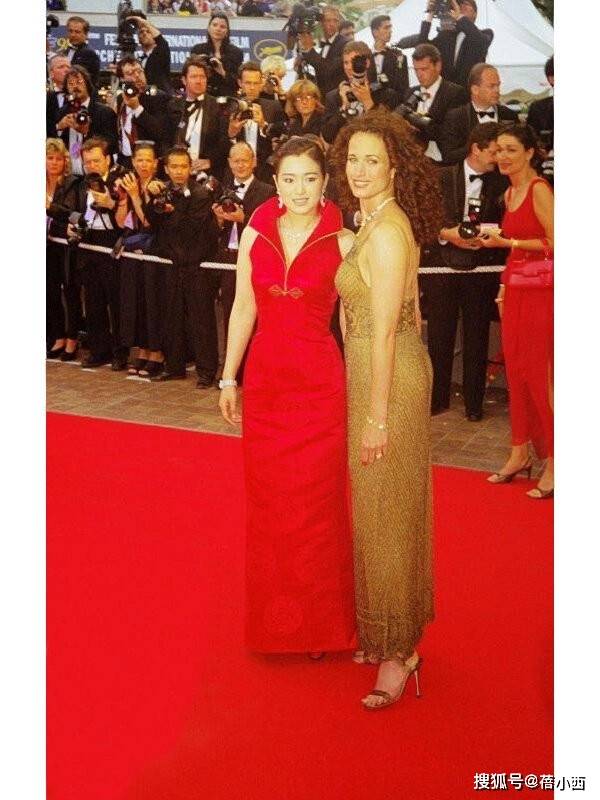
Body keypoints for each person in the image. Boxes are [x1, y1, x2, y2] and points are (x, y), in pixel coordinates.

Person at [218, 136, 356, 655]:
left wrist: (366, 389)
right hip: (268, 383)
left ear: (326, 183)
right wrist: (229, 377)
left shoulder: (344, 240)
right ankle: (276, 624)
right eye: (290, 179)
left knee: (318, 507)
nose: (300, 190)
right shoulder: (255, 233)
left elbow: (353, 322)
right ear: (275, 182)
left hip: (320, 385)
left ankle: (321, 627)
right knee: (271, 506)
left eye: (310, 179)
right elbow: (243, 307)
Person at [328, 109, 442, 708]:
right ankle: (384, 634)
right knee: (376, 510)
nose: (360, 170)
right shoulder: (370, 222)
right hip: (373, 376)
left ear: (395, 167)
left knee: (388, 515)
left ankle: (400, 653)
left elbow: (391, 331)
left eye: (373, 160)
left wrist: (377, 416)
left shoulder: (390, 230)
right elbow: (410, 309)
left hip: (387, 381)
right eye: (353, 159)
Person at [480, 124, 554, 499]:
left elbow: (557, 241)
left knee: (541, 376)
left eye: (511, 149)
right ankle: (519, 451)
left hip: (543, 294)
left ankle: (556, 460)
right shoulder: (508, 192)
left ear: (529, 152)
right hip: (516, 291)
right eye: (499, 150)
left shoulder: (539, 189)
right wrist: (504, 286)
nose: (503, 156)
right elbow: (513, 253)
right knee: (517, 373)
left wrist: (509, 242)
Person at [420, 122, 508, 419]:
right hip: (441, 268)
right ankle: (437, 399)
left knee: (477, 337)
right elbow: (424, 217)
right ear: (476, 149)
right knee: (439, 337)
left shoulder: (501, 183)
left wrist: (488, 238)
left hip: (482, 269)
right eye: (494, 151)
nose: (498, 158)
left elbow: (506, 224)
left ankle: (474, 405)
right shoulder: (441, 176)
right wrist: (448, 234)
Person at [144, 145, 220, 386]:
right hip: (171, 264)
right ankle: (174, 366)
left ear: (190, 168)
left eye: (183, 166)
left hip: (197, 265)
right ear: (166, 169)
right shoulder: (162, 190)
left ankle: (206, 372)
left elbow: (190, 228)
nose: (178, 171)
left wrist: (171, 210)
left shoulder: (201, 193)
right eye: (174, 166)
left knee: (201, 320)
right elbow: (151, 221)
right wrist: (152, 199)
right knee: (171, 317)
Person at [209, 141, 276, 377]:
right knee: (229, 313)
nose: (240, 165)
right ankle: (231, 369)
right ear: (229, 163)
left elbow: (269, 227)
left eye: (244, 160)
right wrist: (219, 220)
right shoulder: (221, 190)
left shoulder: (267, 191)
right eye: (235, 161)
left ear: (254, 162)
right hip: (227, 260)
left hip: (254, 261)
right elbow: (212, 231)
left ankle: (253, 369)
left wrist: (243, 219)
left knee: (255, 316)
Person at [69, 137, 130, 369]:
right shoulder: (81, 184)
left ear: (107, 160)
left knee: (116, 301)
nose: (92, 166)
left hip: (111, 243)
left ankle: (120, 352)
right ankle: (98, 350)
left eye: (96, 161)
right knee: (93, 301)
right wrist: (73, 226)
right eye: (87, 162)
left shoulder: (119, 182)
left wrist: (111, 204)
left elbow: (127, 221)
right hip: (88, 243)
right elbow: (76, 212)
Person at [116, 141, 165, 379]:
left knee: (153, 302)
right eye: (139, 160)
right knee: (137, 302)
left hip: (155, 252)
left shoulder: (159, 187)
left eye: (148, 160)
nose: (143, 164)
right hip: (132, 251)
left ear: (156, 163)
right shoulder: (129, 184)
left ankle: (157, 353)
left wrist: (136, 196)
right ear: (133, 162)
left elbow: (148, 222)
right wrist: (124, 198)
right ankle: (143, 349)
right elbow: (120, 222)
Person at [46, 138, 83, 361]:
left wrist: (48, 206)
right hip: (46, 245)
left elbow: (70, 214)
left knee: (70, 291)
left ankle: (72, 338)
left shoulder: (72, 183)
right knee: (49, 291)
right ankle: (57, 336)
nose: (54, 163)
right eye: (50, 158)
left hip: (66, 245)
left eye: (58, 159)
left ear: (65, 161)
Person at [321, 41, 399, 145]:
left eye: (353, 62)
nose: (349, 67)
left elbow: (390, 134)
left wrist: (368, 103)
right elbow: (328, 136)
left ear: (366, 63)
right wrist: (344, 108)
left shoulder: (387, 95)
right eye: (346, 62)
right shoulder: (334, 97)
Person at [400, 43, 467, 164]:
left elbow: (452, 134)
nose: (419, 75)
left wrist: (420, 124)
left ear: (438, 66)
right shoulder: (410, 92)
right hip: (411, 160)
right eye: (416, 70)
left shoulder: (455, 93)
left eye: (424, 69)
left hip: (442, 162)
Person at [439, 63, 518, 165]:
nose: (497, 90)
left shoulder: (509, 115)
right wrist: (476, 147)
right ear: (475, 90)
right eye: (491, 86)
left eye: (498, 85)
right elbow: (448, 157)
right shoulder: (455, 117)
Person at [404, 0, 493, 89]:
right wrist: (430, 14)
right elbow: (422, 48)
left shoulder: (485, 34)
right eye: (460, 4)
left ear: (475, 14)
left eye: (466, 4)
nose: (461, 6)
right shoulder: (447, 35)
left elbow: (478, 40)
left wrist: (459, 17)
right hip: (447, 92)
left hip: (469, 91)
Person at [167, 56, 228, 179]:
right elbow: (165, 138)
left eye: (202, 77)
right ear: (184, 80)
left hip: (207, 175)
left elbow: (225, 140)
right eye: (194, 77)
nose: (199, 81)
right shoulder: (173, 105)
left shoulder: (217, 106)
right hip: (176, 173)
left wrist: (210, 161)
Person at [227, 61, 286, 182]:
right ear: (240, 83)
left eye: (256, 83)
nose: (252, 87)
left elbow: (283, 139)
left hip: (265, 173)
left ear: (261, 83)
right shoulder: (229, 107)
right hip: (235, 173)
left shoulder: (274, 107)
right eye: (248, 83)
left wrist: (263, 125)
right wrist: (232, 134)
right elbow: (220, 144)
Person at [56, 66, 118, 174]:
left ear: (87, 84)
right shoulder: (62, 112)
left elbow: (112, 145)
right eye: (71, 84)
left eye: (79, 82)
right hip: (69, 174)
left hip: (95, 172)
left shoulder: (105, 112)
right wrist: (59, 128)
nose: (75, 86)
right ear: (66, 88)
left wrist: (87, 132)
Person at [115, 56, 170, 165]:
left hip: (148, 162)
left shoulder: (158, 96)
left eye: (139, 71)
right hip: (126, 161)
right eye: (130, 73)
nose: (137, 75)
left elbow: (161, 132)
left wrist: (137, 108)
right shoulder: (121, 98)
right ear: (122, 79)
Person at [296, 6, 347, 96]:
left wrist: (309, 49)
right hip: (323, 97)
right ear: (321, 23)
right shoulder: (325, 46)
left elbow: (328, 70)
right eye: (328, 20)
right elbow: (321, 74)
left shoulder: (344, 44)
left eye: (335, 21)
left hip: (337, 98)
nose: (332, 24)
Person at [191, 13, 244, 97]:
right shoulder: (198, 50)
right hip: (203, 95)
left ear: (227, 31)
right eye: (214, 25)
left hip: (227, 96)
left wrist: (222, 72)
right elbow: (191, 75)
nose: (218, 29)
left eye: (222, 27)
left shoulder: (236, 52)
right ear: (209, 28)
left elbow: (239, 82)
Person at [122, 15, 174, 95]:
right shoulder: (139, 60)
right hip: (144, 97)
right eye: (141, 32)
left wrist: (143, 22)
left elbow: (162, 42)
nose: (144, 33)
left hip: (161, 97)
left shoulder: (161, 53)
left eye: (148, 31)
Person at [370, 15, 409, 101]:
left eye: (390, 27)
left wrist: (375, 86)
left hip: (392, 103)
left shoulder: (399, 56)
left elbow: (403, 87)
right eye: (386, 28)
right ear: (375, 32)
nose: (390, 31)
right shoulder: (365, 56)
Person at [59, 16, 100, 87]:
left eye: (77, 32)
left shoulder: (89, 53)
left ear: (86, 34)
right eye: (70, 31)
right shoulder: (64, 51)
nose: (73, 35)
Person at [46, 55, 71, 138]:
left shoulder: (81, 96)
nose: (66, 70)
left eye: (68, 67)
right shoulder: (47, 98)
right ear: (51, 73)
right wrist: (58, 127)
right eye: (61, 67)